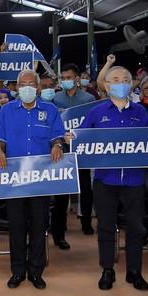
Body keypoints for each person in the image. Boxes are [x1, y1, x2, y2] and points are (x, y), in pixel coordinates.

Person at [0, 69, 69, 290]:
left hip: (40, 180)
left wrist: (57, 145)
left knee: (38, 225)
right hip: (15, 181)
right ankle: (18, 271)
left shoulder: (51, 110)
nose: (27, 88)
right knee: (16, 226)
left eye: (31, 84)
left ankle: (36, 271)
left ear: (37, 87)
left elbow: (58, 137)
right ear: (17, 87)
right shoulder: (6, 111)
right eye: (22, 84)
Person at [79, 66, 148, 291]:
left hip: (134, 180)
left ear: (131, 84)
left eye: (125, 79)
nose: (121, 83)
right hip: (105, 180)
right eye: (116, 79)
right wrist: (72, 138)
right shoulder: (96, 112)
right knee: (105, 227)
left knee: (136, 227)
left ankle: (134, 271)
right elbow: (82, 141)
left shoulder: (141, 112)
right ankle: (107, 270)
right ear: (107, 85)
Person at [51, 62, 98, 245]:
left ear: (77, 79)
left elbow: (92, 125)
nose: (66, 81)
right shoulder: (56, 99)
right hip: (62, 150)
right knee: (62, 191)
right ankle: (59, 229)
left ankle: (86, 222)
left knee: (85, 188)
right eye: (63, 78)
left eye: (69, 78)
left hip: (81, 150)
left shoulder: (88, 99)